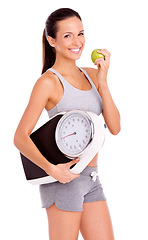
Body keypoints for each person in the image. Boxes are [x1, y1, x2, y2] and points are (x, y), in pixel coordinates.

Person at [14, 8, 120, 240]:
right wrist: (52, 169)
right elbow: (20, 136)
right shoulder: (48, 82)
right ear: (52, 40)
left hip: (92, 177)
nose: (77, 42)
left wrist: (103, 82)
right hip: (62, 180)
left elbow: (114, 127)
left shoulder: (93, 75)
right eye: (68, 35)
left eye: (80, 33)